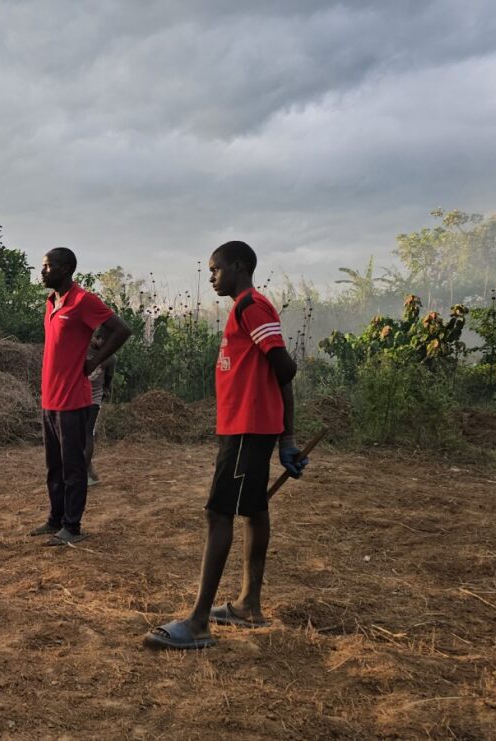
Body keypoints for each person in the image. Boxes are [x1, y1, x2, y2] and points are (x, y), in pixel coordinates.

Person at [144, 241, 308, 649]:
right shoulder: (246, 308)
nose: (212, 276)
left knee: (219, 514)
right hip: (247, 427)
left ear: (238, 266)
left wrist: (285, 436)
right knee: (254, 508)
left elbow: (284, 368)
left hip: (247, 429)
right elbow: (278, 374)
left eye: (216, 269)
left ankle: (198, 622)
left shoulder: (251, 306)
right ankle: (248, 605)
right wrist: (286, 437)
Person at [29, 247, 131, 546]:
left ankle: (72, 527)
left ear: (65, 269)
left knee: (73, 467)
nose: (42, 271)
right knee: (54, 466)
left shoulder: (83, 300)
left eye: (48, 266)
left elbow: (121, 330)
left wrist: (94, 361)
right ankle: (55, 519)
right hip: (50, 399)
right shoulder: (51, 302)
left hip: (73, 399)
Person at [83, 326, 117, 487]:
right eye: (104, 341)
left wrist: (104, 393)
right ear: (97, 337)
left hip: (93, 400)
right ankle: (89, 472)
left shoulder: (111, 358)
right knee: (81, 436)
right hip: (78, 398)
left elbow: (108, 381)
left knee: (87, 434)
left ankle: (82, 473)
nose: (106, 345)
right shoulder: (83, 349)